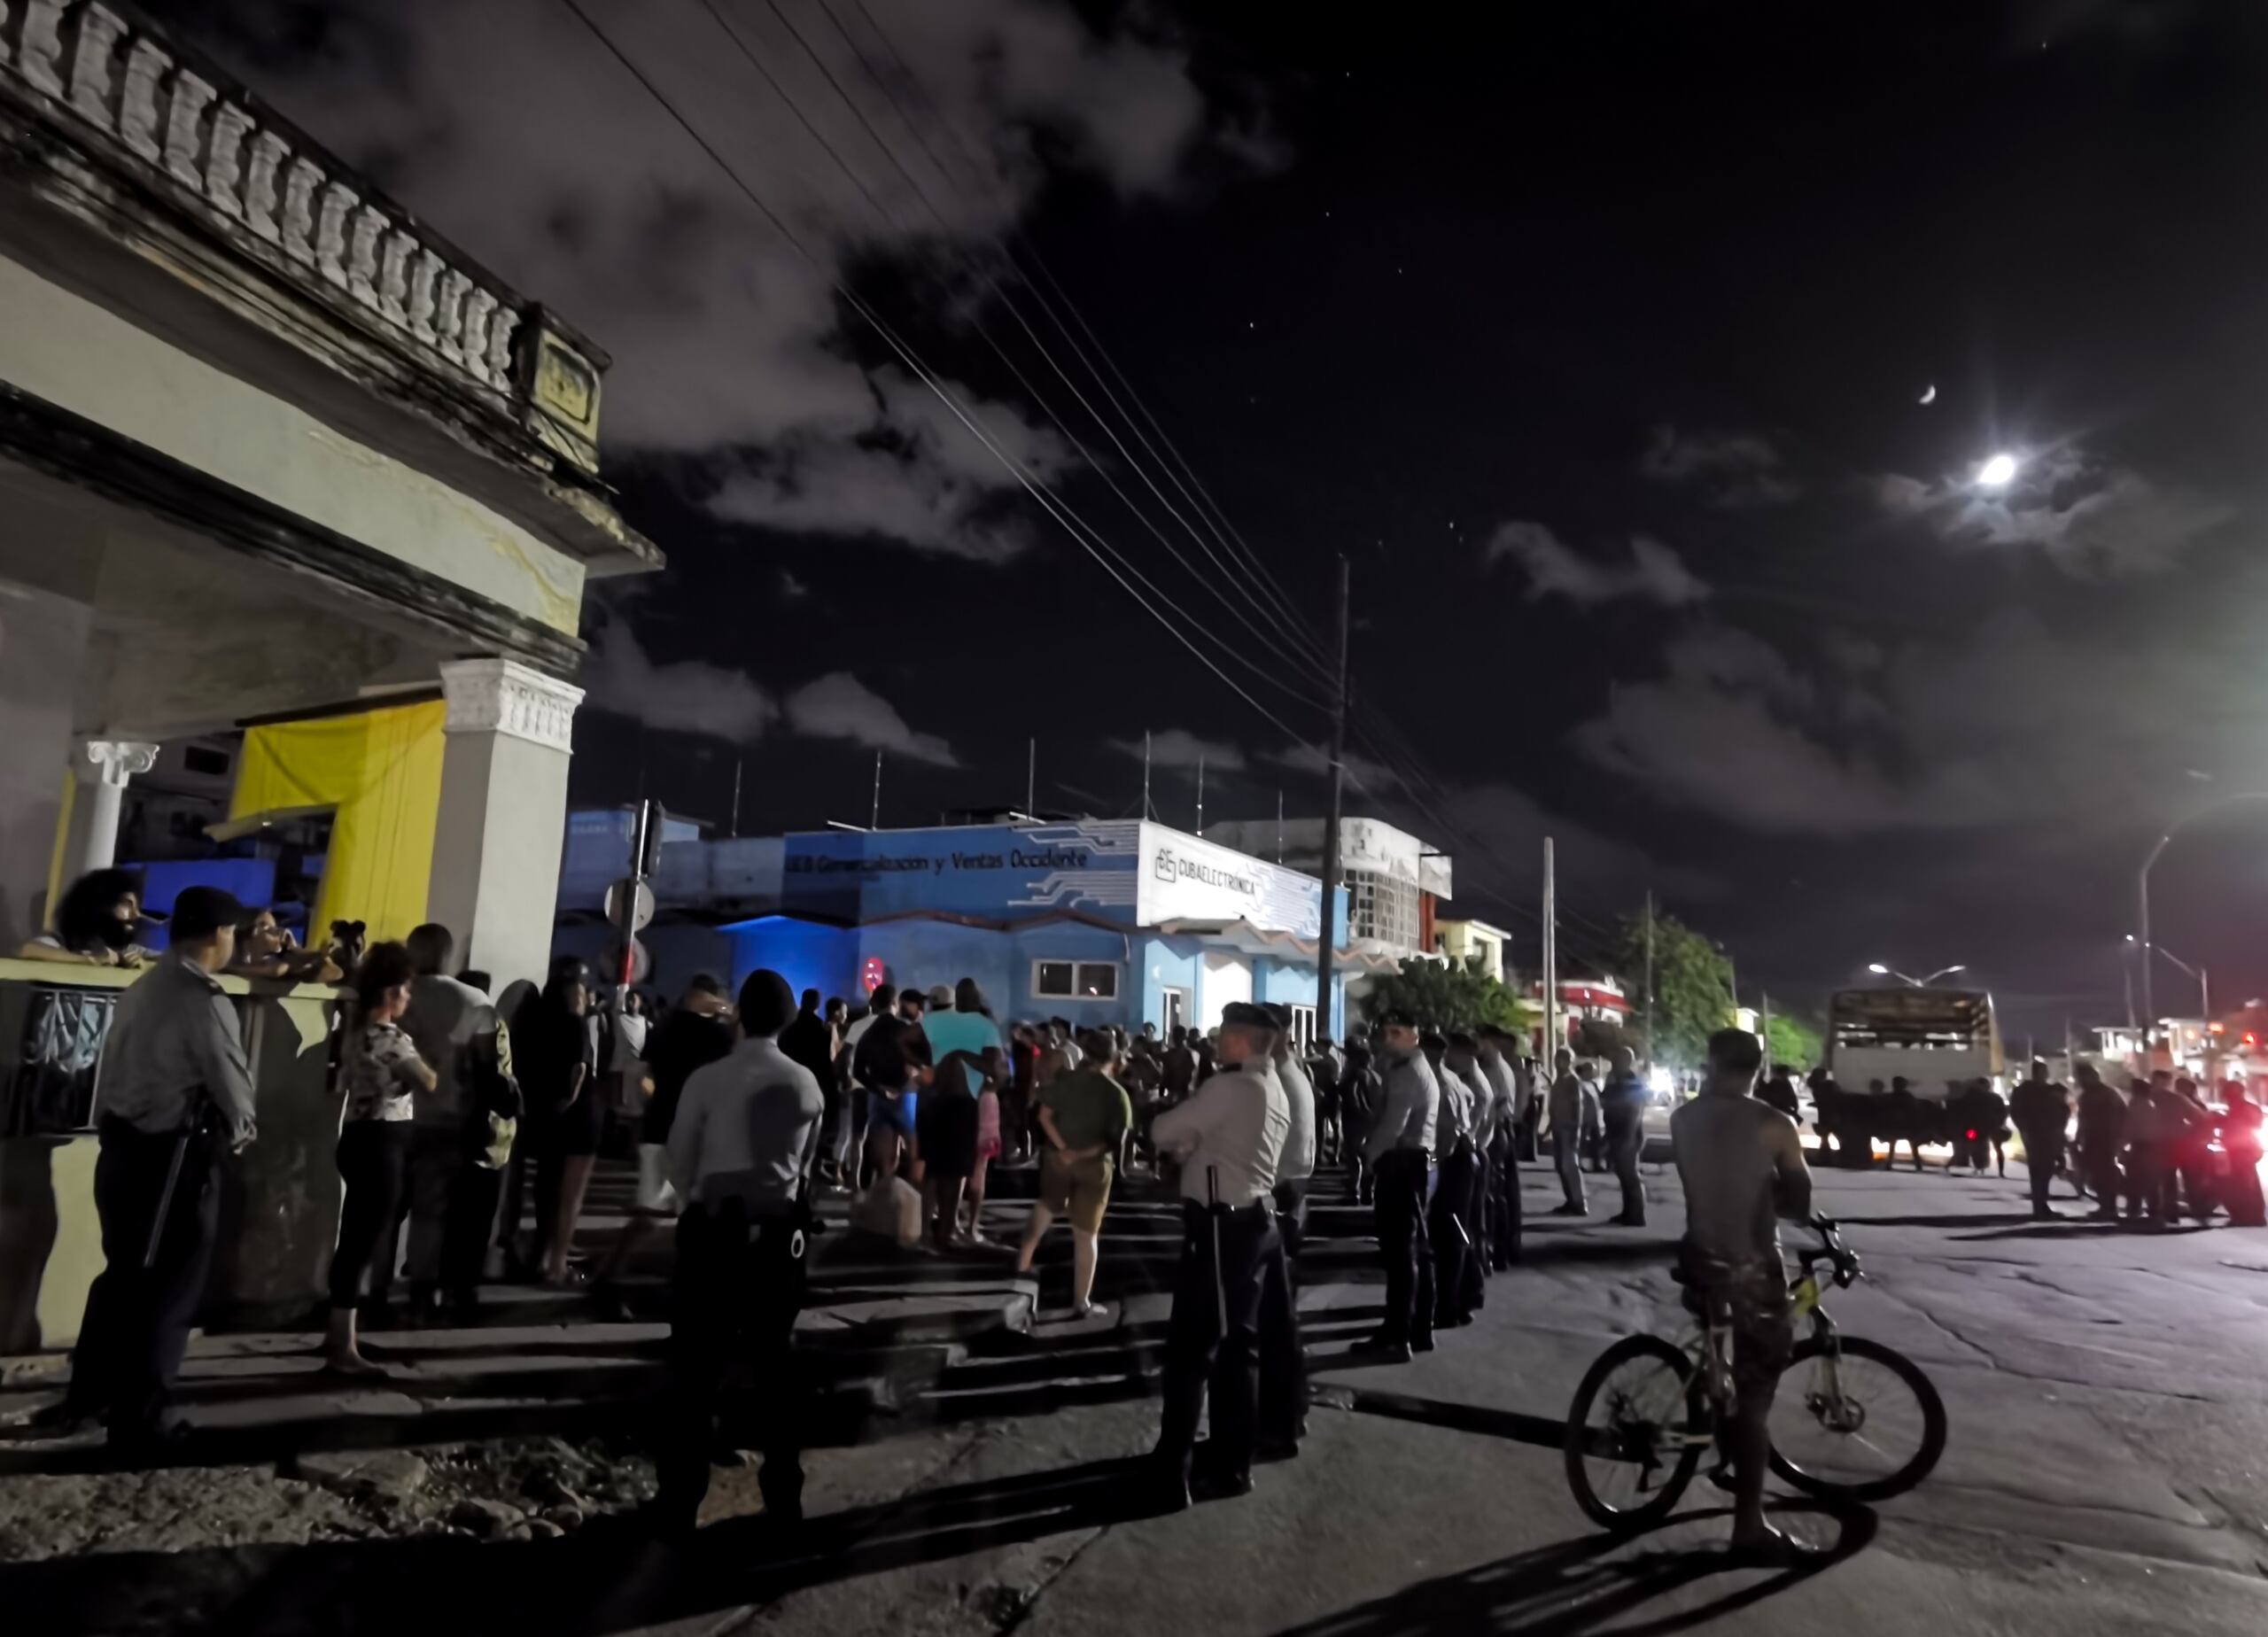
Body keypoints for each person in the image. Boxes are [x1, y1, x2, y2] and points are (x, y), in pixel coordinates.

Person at [58, 887, 255, 1450]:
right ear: (220, 935)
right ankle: (141, 1420)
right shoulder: (202, 999)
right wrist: (240, 1136)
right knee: (170, 1289)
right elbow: (234, 1091)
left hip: (120, 1148)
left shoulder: (142, 988)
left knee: (121, 1274)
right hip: (173, 1159)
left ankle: (87, 1397)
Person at [649, 969, 823, 1535]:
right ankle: (783, 1498)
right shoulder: (806, 1085)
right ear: (789, 1020)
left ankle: (679, 1501)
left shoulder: (708, 1079)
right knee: (776, 1369)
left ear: (738, 1015)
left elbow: (678, 1159)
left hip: (713, 1234)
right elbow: (805, 1171)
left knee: (695, 1370)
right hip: (777, 1237)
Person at [1670, 1026, 1812, 1564]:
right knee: (1757, 1400)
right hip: (1751, 1268)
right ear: (1757, 1067)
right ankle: (1749, 1526)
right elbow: (1798, 1202)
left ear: (1709, 1062)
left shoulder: (1684, 1118)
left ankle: (1717, 1405)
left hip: (1698, 1255)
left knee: (1717, 1351)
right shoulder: (1775, 1124)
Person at [1147, 1002, 1289, 1510]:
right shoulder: (1272, 1084)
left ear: (1238, 1040)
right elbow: (1202, 1137)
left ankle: (1187, 1469)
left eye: (1224, 1033)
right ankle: (1226, 1456)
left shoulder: (1229, 1086)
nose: (1216, 1039)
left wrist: (1186, 1140)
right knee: (1236, 1346)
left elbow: (1165, 1131)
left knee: (1196, 1352)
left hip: (1220, 1229)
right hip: (1249, 1221)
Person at [322, 942, 434, 1375]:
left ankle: (338, 1332)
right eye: (406, 991)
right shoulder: (391, 1039)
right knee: (363, 1243)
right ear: (391, 992)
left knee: (351, 1237)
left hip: (355, 1137)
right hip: (384, 1143)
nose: (408, 999)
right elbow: (428, 1081)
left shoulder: (354, 1033)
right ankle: (344, 1349)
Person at [397, 925, 515, 1322]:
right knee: (437, 1214)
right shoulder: (472, 999)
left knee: (391, 1213)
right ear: (447, 954)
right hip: (448, 1118)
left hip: (394, 1118)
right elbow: (485, 1069)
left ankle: (379, 1291)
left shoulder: (394, 994)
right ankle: (426, 1297)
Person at [1015, 1026, 1133, 1315]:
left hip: (1057, 1160)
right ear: (1113, 1057)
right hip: (1094, 1169)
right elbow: (1114, 1142)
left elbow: (1044, 1116)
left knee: (1045, 1208)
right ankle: (1081, 1301)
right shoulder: (1117, 1094)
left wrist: (1064, 1149)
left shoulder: (1066, 1080)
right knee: (1086, 1234)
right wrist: (1080, 1154)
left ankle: (1022, 1263)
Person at [516, 958, 601, 1285]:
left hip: (542, 1115)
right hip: (577, 1116)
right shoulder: (574, 1022)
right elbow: (579, 1069)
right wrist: (570, 1099)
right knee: (571, 1195)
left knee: (545, 1189)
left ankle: (539, 1254)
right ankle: (557, 1265)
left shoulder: (531, 1019)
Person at [1363, 1010, 1439, 1361]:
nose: (1388, 1039)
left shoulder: (1409, 1072)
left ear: (1414, 1035)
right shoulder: (1406, 1069)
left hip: (1402, 1163)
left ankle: (1399, 1333)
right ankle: (1417, 1329)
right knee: (1412, 1252)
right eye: (1386, 1032)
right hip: (1410, 1163)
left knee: (1400, 1254)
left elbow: (1394, 1124)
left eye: (1397, 1033)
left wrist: (1372, 1157)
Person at [1258, 1005, 1315, 1459]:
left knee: (1274, 1321)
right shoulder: (1288, 1072)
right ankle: (1288, 1415)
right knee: (1280, 1318)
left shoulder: (1277, 1078)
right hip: (1290, 1195)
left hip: (1279, 1198)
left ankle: (1280, 1422)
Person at [921, 978, 1005, 1245]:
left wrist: (928, 1072)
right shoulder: (986, 1026)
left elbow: (909, 1046)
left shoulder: (935, 1022)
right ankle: (950, 1229)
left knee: (935, 1169)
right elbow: (997, 1069)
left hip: (935, 1100)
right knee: (958, 1170)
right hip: (965, 1102)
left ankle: (928, 1229)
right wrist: (985, 1083)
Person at [22, 867, 155, 967]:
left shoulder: (128, 950)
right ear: (100, 904)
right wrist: (89, 960)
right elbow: (29, 950)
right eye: (127, 904)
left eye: (137, 906)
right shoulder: (62, 942)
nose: (136, 914)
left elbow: (169, 961)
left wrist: (145, 965)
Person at [1477, 1028, 1524, 1268]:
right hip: (1500, 1131)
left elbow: (1497, 1106)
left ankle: (1499, 1248)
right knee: (1501, 1193)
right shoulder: (1498, 1067)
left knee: (1494, 1194)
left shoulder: (1496, 1069)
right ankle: (1503, 1248)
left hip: (1496, 1132)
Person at [2009, 1060, 2073, 1221]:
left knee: (2044, 1171)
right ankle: (2039, 1206)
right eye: (2043, 1072)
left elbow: (2062, 1112)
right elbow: (2017, 1113)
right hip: (2037, 1135)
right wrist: (2025, 1130)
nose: (2045, 1075)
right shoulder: (2027, 1091)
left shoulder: (2045, 1091)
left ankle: (2041, 1205)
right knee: (2040, 1171)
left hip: (2048, 1135)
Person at [1599, 1045, 1651, 1228]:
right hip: (1617, 1132)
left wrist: (1628, 1137)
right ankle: (1628, 1211)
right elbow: (1606, 1100)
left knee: (1630, 1176)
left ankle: (1637, 1215)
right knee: (1623, 1175)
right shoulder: (1616, 1079)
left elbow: (1634, 1112)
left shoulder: (1631, 1081)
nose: (1613, 1062)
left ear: (1627, 1061)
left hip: (1627, 1134)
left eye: (1618, 1059)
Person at [229, 907, 343, 982]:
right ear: (253, 930)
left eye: (275, 925)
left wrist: (293, 948)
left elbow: (335, 973)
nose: (276, 930)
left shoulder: (274, 963)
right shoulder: (230, 954)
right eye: (265, 925)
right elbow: (277, 970)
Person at [2073, 1063, 2126, 1219]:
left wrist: (2118, 1138)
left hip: (2106, 1139)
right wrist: (2078, 1139)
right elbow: (2082, 1120)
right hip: (2092, 1139)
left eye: (2082, 1077)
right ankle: (2106, 1206)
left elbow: (2122, 1116)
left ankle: (2109, 1207)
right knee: (2097, 1175)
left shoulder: (2108, 1094)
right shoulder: (2085, 1096)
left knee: (2106, 1174)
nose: (2080, 1081)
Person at [1547, 1048, 1588, 1215]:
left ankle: (1579, 1202)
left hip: (1568, 1128)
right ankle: (1570, 1201)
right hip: (1558, 1127)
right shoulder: (1559, 1080)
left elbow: (1578, 1107)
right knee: (1561, 1166)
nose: (1558, 1062)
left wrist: (1576, 1130)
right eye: (1557, 1058)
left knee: (1570, 1166)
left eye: (1562, 1059)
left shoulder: (1572, 1081)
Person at [2221, 1082, 2265, 1227]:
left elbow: (2252, 1125)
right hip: (2237, 1149)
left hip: (2243, 1150)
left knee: (2246, 1183)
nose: (2228, 1098)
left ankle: (2251, 1216)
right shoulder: (2237, 1108)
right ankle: (2245, 1215)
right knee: (2239, 1183)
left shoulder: (2245, 1108)